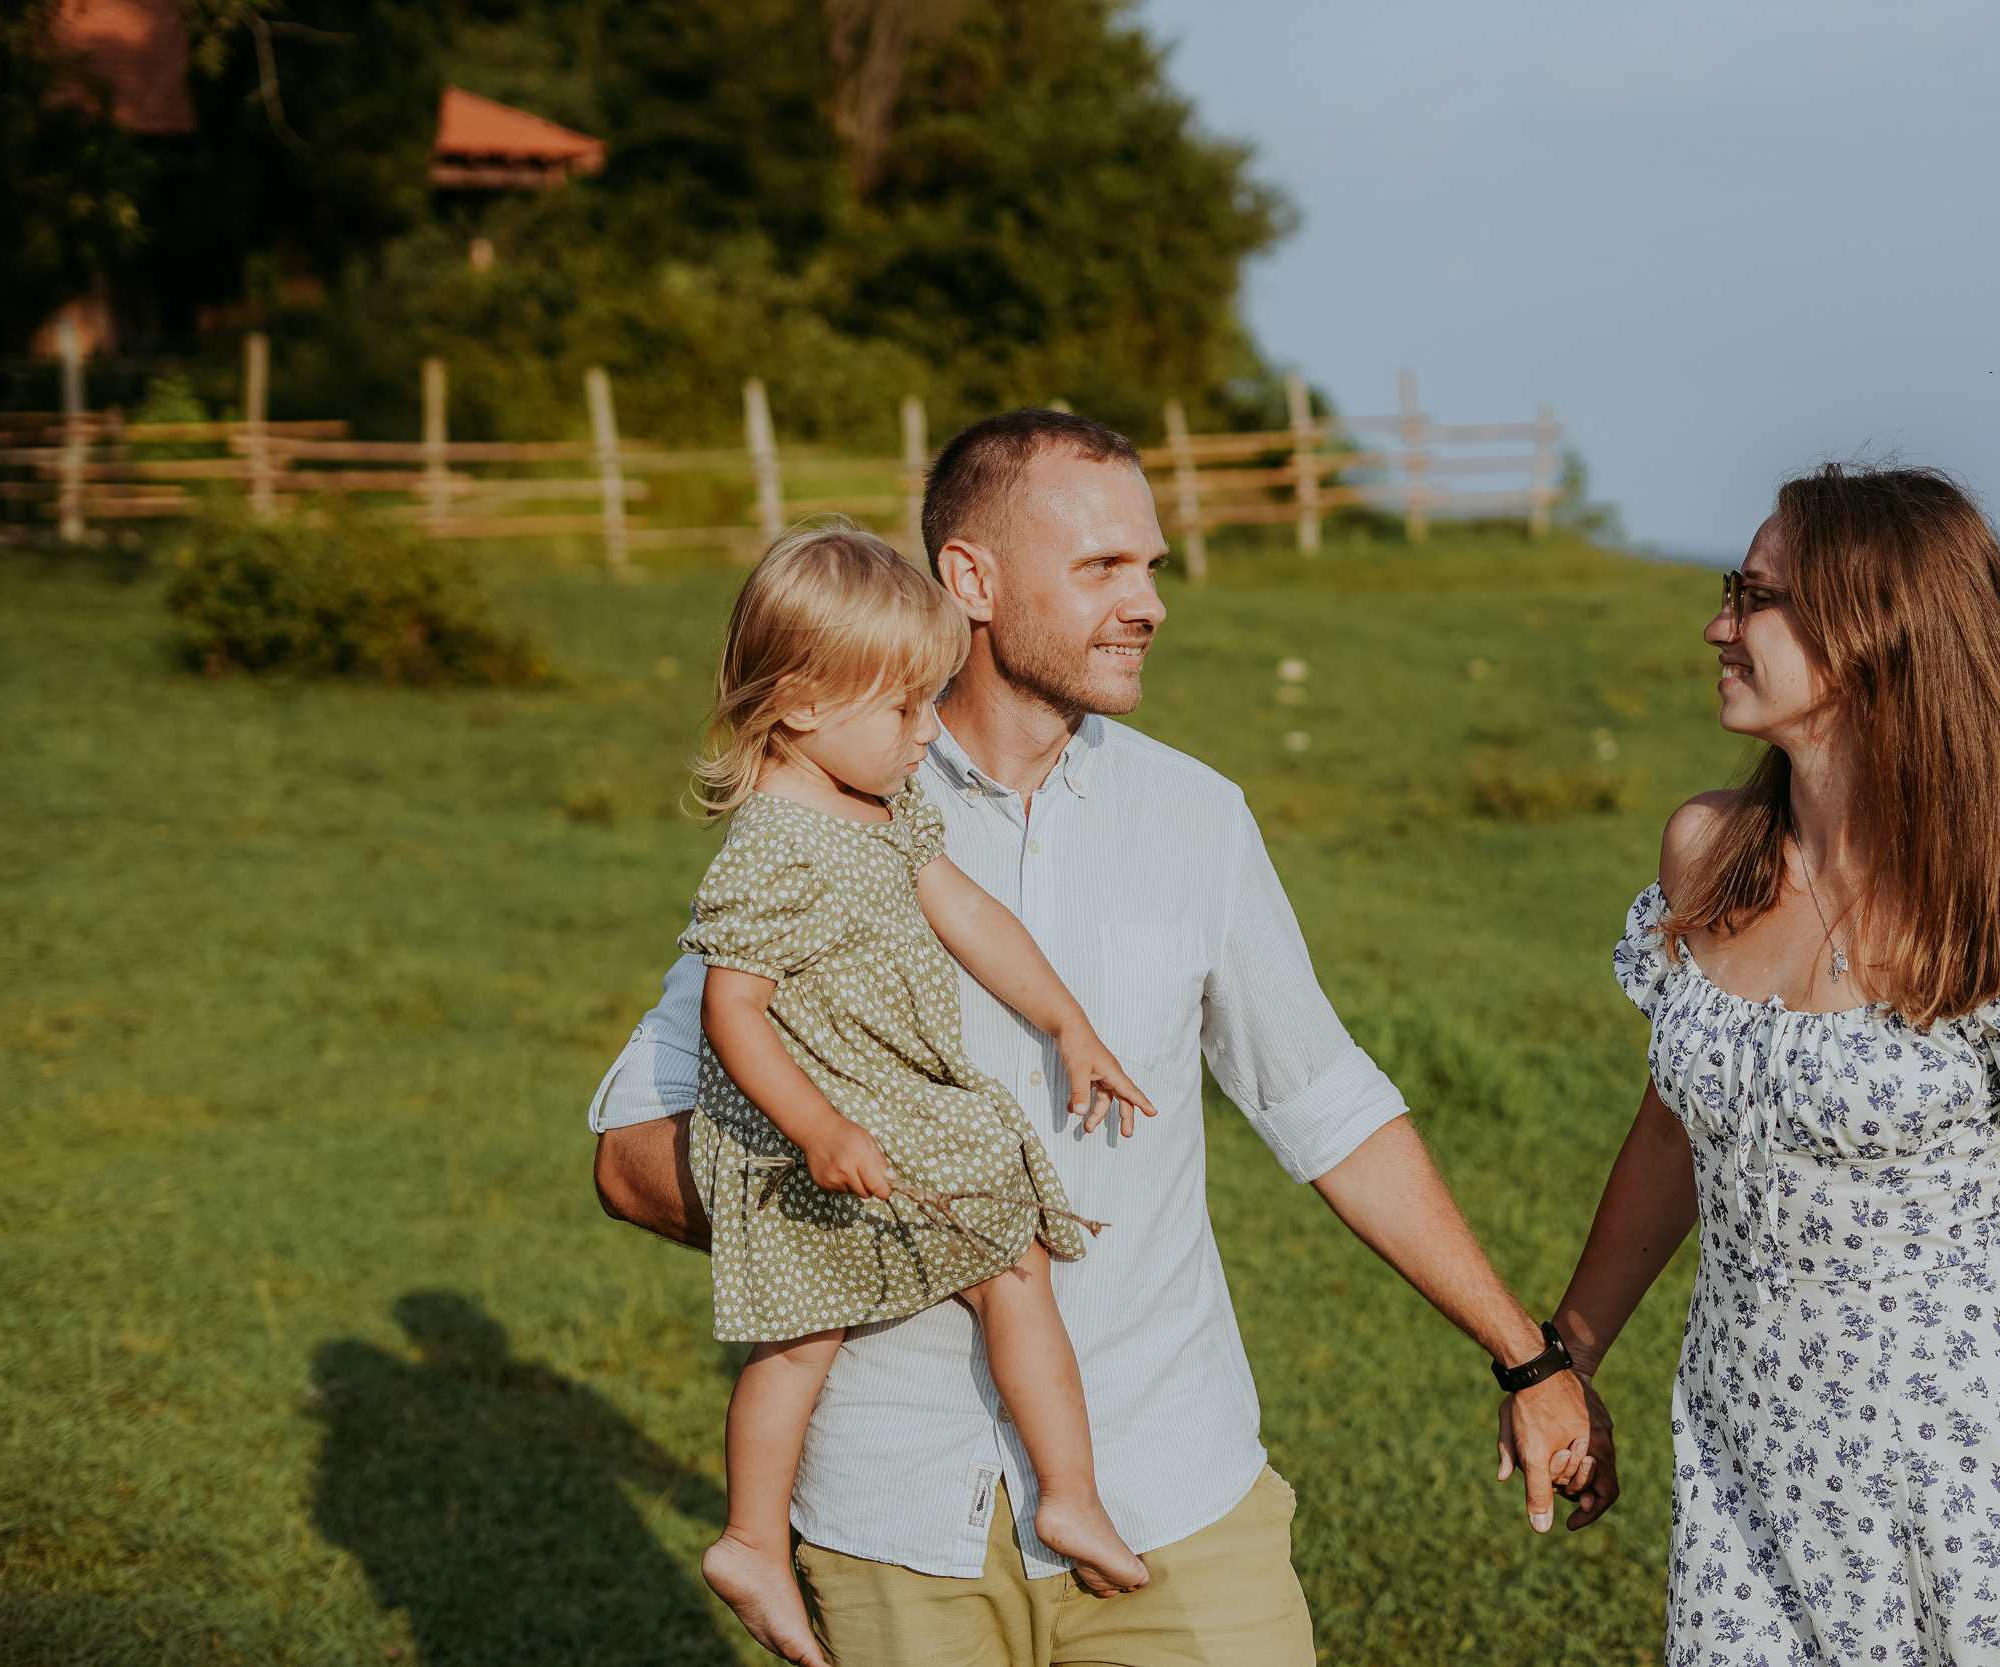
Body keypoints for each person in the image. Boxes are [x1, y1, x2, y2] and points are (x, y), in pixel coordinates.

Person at [589, 408, 1591, 1665]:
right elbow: (630, 1154)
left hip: (1173, 1500)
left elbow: (1324, 1102)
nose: (1151, 602)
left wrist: (1525, 1353)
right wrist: (862, 1174)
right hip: (896, 1519)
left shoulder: (1198, 819)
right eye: (1104, 566)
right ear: (973, 580)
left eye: (1154, 565)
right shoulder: (822, 818)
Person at [1520, 465, 2000, 1665]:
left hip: (1972, 1482)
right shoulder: (1705, 855)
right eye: (1732, 588)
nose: (1718, 624)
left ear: (1873, 634)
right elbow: (1675, 1130)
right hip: (1747, 1457)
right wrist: (1561, 1357)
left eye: (1758, 597)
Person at [677, 527, 1161, 1664]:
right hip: (815, 1130)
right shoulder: (772, 847)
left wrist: (1068, 1023)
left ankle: (1048, 1496)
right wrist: (819, 1128)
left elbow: (974, 917)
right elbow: (730, 1010)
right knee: (819, 1334)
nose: (928, 730)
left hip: (887, 1114)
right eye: (904, 710)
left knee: (946, 1287)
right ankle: (764, 1535)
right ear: (798, 702)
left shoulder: (887, 813)